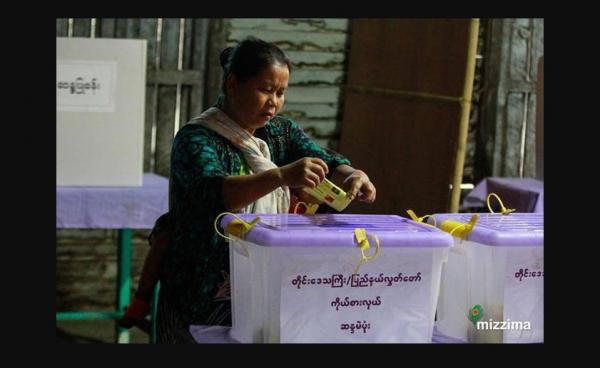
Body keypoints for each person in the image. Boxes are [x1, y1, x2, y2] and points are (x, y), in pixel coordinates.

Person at [118, 36, 376, 343]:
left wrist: (351, 174)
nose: (274, 102)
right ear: (232, 84)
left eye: (281, 93)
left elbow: (327, 160)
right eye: (265, 90)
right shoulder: (197, 139)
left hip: (264, 284)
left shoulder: (279, 132)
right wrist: (281, 176)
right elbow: (213, 194)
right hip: (201, 288)